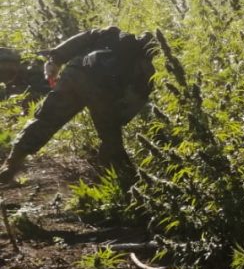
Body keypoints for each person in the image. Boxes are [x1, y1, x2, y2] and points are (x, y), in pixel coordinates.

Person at [0, 27, 156, 185]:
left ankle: (11, 165)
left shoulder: (112, 33)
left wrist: (56, 60)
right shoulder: (145, 65)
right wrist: (117, 119)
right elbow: (137, 96)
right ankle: (121, 181)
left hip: (75, 74)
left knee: (45, 120)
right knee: (111, 139)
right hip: (104, 90)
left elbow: (80, 39)